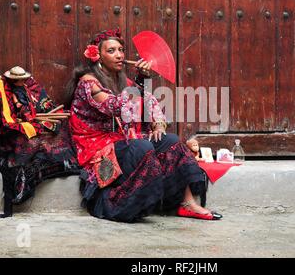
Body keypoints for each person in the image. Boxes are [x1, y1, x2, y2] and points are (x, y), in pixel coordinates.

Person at [65, 28, 222, 222]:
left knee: (170, 141)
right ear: (98, 56)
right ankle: (134, 203)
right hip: (97, 147)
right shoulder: (88, 83)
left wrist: (158, 125)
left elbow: (148, 101)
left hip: (122, 140)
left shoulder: (123, 80)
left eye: (121, 50)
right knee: (143, 147)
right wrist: (140, 82)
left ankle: (187, 203)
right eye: (111, 50)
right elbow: (112, 106)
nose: (119, 55)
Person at [0, 66, 82, 218]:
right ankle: (9, 206)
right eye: (17, 79)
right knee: (28, 139)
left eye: (22, 79)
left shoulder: (29, 88)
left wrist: (35, 113)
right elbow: (16, 107)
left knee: (60, 122)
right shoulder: (9, 91)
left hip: (32, 115)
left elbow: (37, 103)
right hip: (23, 119)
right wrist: (25, 114)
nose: (21, 81)